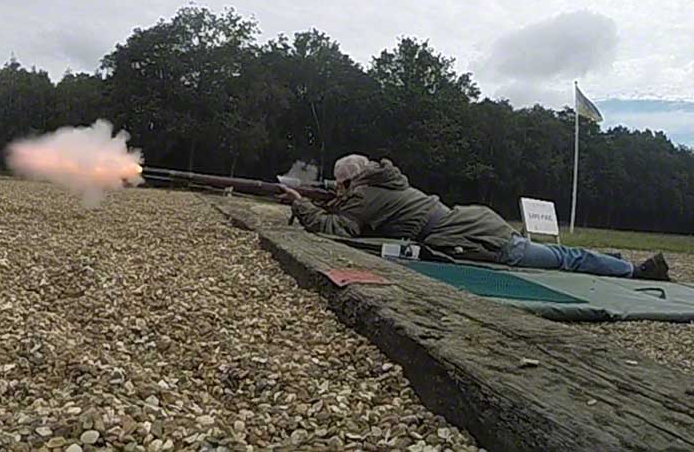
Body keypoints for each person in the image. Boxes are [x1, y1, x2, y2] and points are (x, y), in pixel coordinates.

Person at [276, 154, 671, 281]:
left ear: (348, 182)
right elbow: (344, 217)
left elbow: (335, 229)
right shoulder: (381, 185)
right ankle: (620, 263)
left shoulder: (365, 193)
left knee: (563, 261)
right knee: (560, 256)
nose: (339, 191)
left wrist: (299, 202)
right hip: (472, 223)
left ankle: (634, 272)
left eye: (340, 185)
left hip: (475, 238)